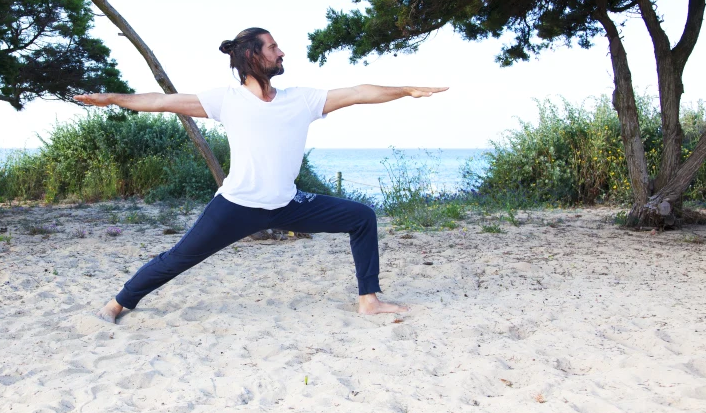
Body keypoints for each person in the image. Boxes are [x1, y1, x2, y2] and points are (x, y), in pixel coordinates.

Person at [75, 27, 448, 324]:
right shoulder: (227, 100)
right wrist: (111, 98)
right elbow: (159, 102)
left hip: (288, 204)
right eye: (273, 47)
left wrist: (403, 90)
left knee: (362, 217)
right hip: (236, 206)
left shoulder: (300, 100)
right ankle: (117, 303)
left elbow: (355, 92)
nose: (282, 52)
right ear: (252, 55)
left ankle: (369, 301)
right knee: (178, 258)